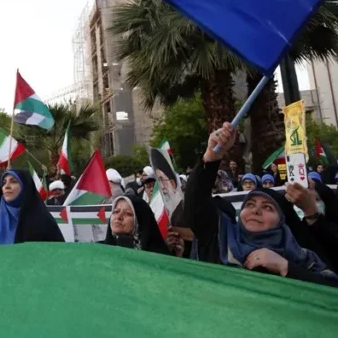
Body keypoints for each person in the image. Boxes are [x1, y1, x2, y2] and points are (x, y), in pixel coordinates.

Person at [185, 123, 338, 287]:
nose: (256, 211)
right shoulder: (219, 238)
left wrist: (286, 267)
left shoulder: (304, 259)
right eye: (249, 205)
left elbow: (330, 296)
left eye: (267, 207)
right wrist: (212, 155)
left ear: (282, 221)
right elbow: (195, 204)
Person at [0, 169, 64, 246]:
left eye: (13, 181)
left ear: (25, 187)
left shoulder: (43, 222)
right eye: (4, 183)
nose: (6, 186)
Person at [104, 196, 175, 255]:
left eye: (128, 213)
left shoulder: (158, 257)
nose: (118, 217)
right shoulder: (98, 250)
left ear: (140, 221)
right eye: (116, 211)